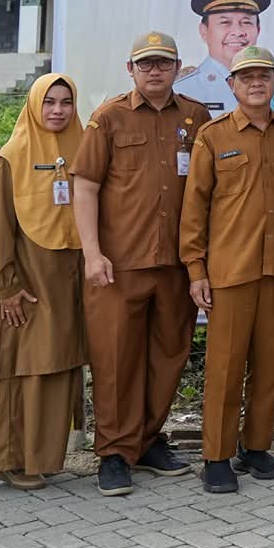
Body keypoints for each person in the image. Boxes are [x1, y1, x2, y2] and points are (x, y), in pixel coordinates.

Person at [70, 31, 211, 496]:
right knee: (115, 359)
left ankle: (147, 440)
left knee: (168, 356)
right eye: (145, 63)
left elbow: (206, 189)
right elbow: (85, 187)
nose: (155, 71)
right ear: (130, 69)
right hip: (120, 263)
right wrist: (92, 252)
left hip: (176, 262)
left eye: (163, 63)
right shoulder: (108, 117)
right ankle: (114, 452)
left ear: (178, 67)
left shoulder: (195, 116)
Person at [182, 46, 274, 494]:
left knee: (268, 365)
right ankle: (216, 455)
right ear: (231, 85)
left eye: (263, 75)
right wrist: (195, 269)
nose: (255, 83)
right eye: (246, 77)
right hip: (230, 270)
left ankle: (256, 446)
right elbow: (195, 207)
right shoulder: (213, 136)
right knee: (225, 367)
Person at [0, 74, 88, 491]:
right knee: (23, 367)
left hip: (70, 277)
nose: (57, 110)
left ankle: (45, 456)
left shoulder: (84, 148)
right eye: (49, 102)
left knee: (58, 364)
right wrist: (5, 285)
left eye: (66, 102)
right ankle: (13, 459)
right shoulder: (12, 157)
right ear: (34, 105)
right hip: (28, 278)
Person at [175, 0, 271, 114]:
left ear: (258, 29)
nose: (238, 32)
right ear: (204, 31)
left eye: (246, 22)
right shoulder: (180, 91)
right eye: (225, 22)